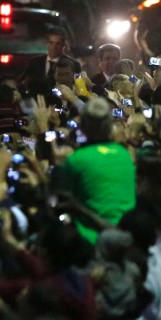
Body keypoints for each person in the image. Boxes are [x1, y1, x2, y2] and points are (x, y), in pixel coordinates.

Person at [52, 97, 135, 244]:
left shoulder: (76, 159)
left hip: (92, 239)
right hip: (129, 234)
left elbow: (59, 199)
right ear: (109, 126)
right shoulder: (124, 154)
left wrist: (58, 164)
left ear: (83, 126)